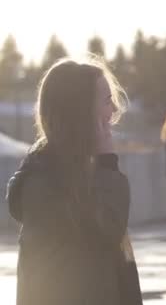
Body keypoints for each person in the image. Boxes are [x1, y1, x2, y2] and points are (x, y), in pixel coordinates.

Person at [6, 58, 143, 305]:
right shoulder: (46, 185)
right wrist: (107, 163)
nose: (113, 110)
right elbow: (109, 227)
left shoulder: (74, 174)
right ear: (79, 110)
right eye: (106, 101)